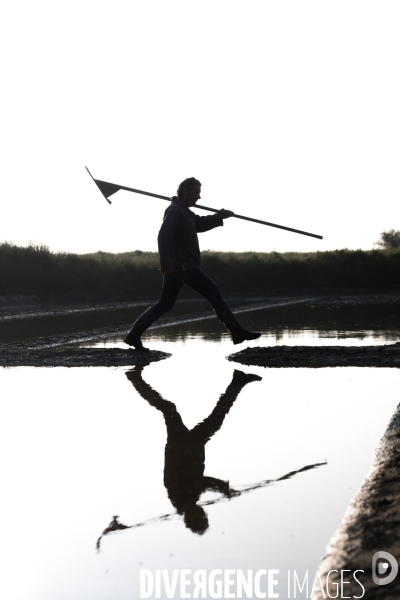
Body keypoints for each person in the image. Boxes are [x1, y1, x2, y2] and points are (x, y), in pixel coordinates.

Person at [124, 177, 261, 350]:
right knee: (213, 292)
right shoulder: (175, 210)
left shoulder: (185, 211)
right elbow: (164, 236)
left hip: (178, 267)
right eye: (196, 193)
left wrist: (219, 216)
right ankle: (237, 332)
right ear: (186, 191)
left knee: (165, 304)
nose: (199, 197)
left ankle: (133, 336)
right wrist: (165, 263)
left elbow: (199, 224)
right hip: (183, 266)